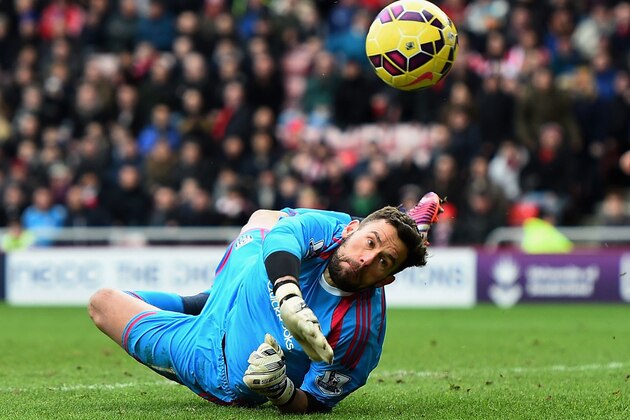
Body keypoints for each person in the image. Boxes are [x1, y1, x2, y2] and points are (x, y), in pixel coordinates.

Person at [88, 192, 444, 413]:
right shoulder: (336, 227)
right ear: (350, 230)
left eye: (384, 261)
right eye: (370, 242)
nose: (368, 259)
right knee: (264, 217)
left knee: (103, 303)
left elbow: (316, 402)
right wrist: (289, 296)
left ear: (386, 280)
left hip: (216, 358)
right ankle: (408, 223)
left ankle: (195, 325)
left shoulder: (359, 332)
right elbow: (284, 235)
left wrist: (281, 391)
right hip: (245, 277)